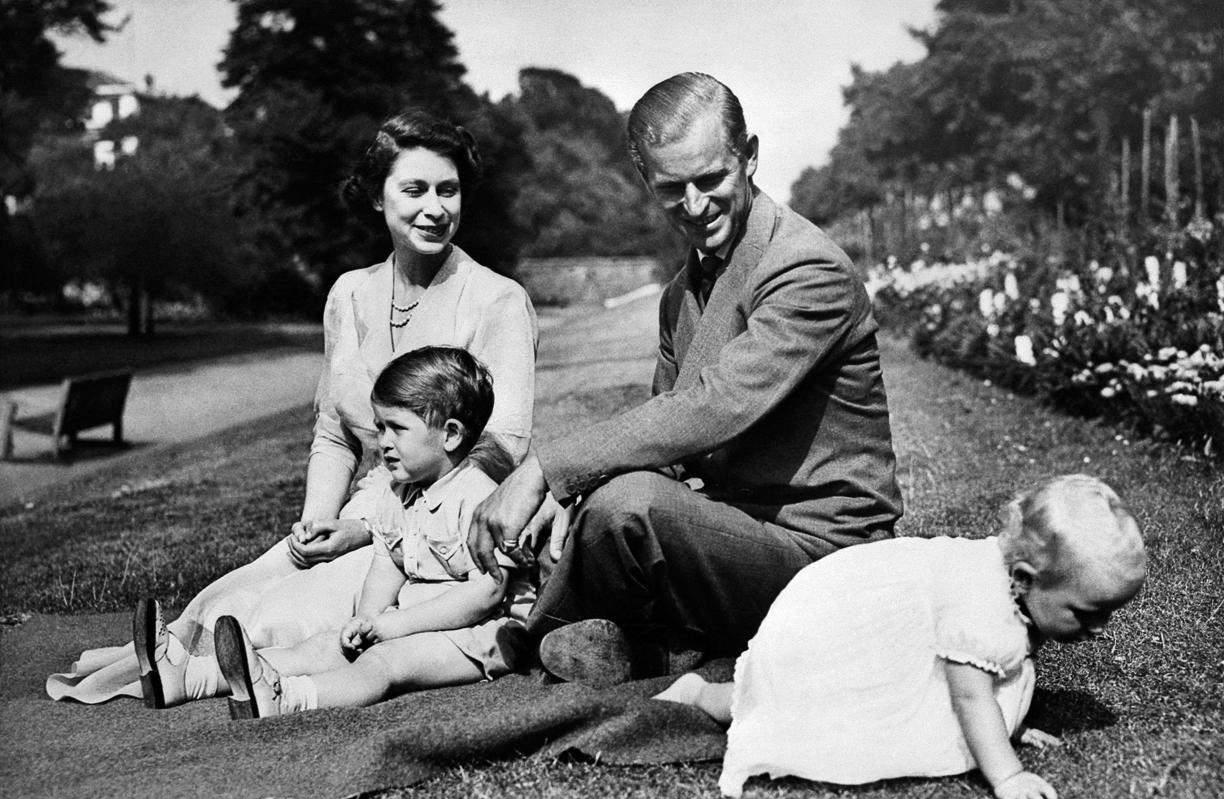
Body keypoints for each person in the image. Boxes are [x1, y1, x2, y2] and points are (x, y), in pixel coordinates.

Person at [47, 109, 538, 706]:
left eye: (448, 189)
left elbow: (500, 449)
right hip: (359, 509)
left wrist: (365, 530)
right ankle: (175, 666)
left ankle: (217, 679)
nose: (434, 207)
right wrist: (316, 526)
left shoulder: (497, 300)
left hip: (440, 529)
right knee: (230, 595)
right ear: (378, 198)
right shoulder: (348, 293)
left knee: (277, 614)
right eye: (414, 189)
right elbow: (334, 433)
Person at [467, 72, 902, 684]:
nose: (695, 206)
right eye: (672, 188)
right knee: (606, 500)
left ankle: (544, 636)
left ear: (749, 156)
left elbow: (713, 408)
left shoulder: (806, 268)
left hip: (826, 556)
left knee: (628, 504)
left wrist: (547, 471)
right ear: (647, 180)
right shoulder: (681, 294)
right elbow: (668, 448)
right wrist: (569, 498)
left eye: (711, 179)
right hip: (732, 533)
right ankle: (642, 641)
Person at [653, 475, 1148, 799]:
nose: (1101, 627)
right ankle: (699, 694)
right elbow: (972, 697)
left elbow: (1003, 672)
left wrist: (1014, 721)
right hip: (839, 635)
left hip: (885, 630)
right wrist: (1008, 774)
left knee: (806, 704)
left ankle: (711, 694)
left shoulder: (1018, 592)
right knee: (804, 708)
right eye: (1087, 613)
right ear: (1024, 578)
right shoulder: (984, 609)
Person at [135, 347, 531, 714]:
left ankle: (288, 698)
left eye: (397, 428)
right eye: (379, 428)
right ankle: (190, 677)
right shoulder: (398, 493)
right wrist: (366, 618)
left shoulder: (480, 497)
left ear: (450, 434)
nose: (384, 443)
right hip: (413, 618)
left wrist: (398, 625)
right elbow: (387, 561)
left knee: (384, 663)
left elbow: (487, 592)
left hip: (485, 635)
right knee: (323, 645)